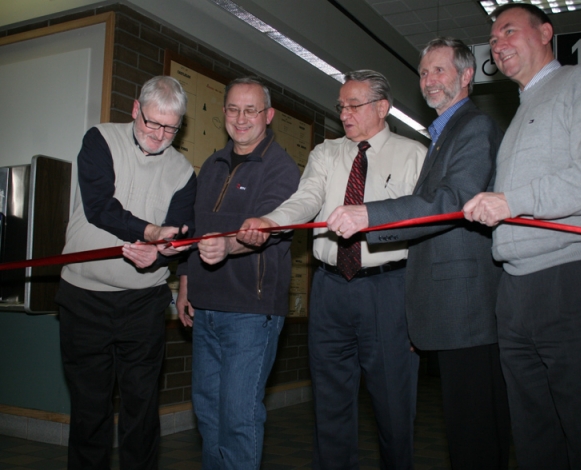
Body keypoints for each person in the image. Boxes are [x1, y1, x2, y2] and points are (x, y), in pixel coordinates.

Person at [463, 4, 581, 469]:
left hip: (576, 283)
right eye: (493, 39)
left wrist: (511, 200)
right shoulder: (520, 113)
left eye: (508, 31)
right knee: (537, 439)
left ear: (546, 32)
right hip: (519, 293)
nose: (497, 44)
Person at [325, 38, 510, 470]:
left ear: (467, 76)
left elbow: (454, 200)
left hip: (467, 309)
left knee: (476, 430)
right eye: (424, 72)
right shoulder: (443, 136)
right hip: (446, 308)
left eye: (440, 70)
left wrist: (370, 215)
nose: (429, 81)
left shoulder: (473, 127)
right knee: (467, 430)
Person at [238, 70, 426, 469]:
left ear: (382, 107)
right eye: (341, 105)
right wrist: (273, 221)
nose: (344, 113)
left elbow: (425, 227)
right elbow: (306, 199)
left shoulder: (414, 155)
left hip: (388, 290)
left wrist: (420, 309)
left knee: (394, 408)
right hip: (330, 290)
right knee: (330, 407)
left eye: (354, 105)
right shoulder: (326, 153)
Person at [56, 75, 197, 469]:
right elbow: (100, 207)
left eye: (171, 127)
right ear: (136, 109)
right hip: (84, 298)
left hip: (143, 303)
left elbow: (181, 235)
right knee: (89, 408)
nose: (159, 135)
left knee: (141, 408)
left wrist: (163, 253)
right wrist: (150, 231)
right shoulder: (100, 139)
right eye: (152, 123)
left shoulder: (185, 172)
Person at [175, 77, 300, 469]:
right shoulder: (211, 165)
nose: (240, 118)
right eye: (232, 109)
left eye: (251, 110)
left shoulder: (282, 169)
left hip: (251, 312)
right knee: (209, 413)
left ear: (269, 115)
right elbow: (192, 231)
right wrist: (184, 284)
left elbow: (262, 228)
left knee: (238, 417)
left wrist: (227, 245)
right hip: (205, 306)